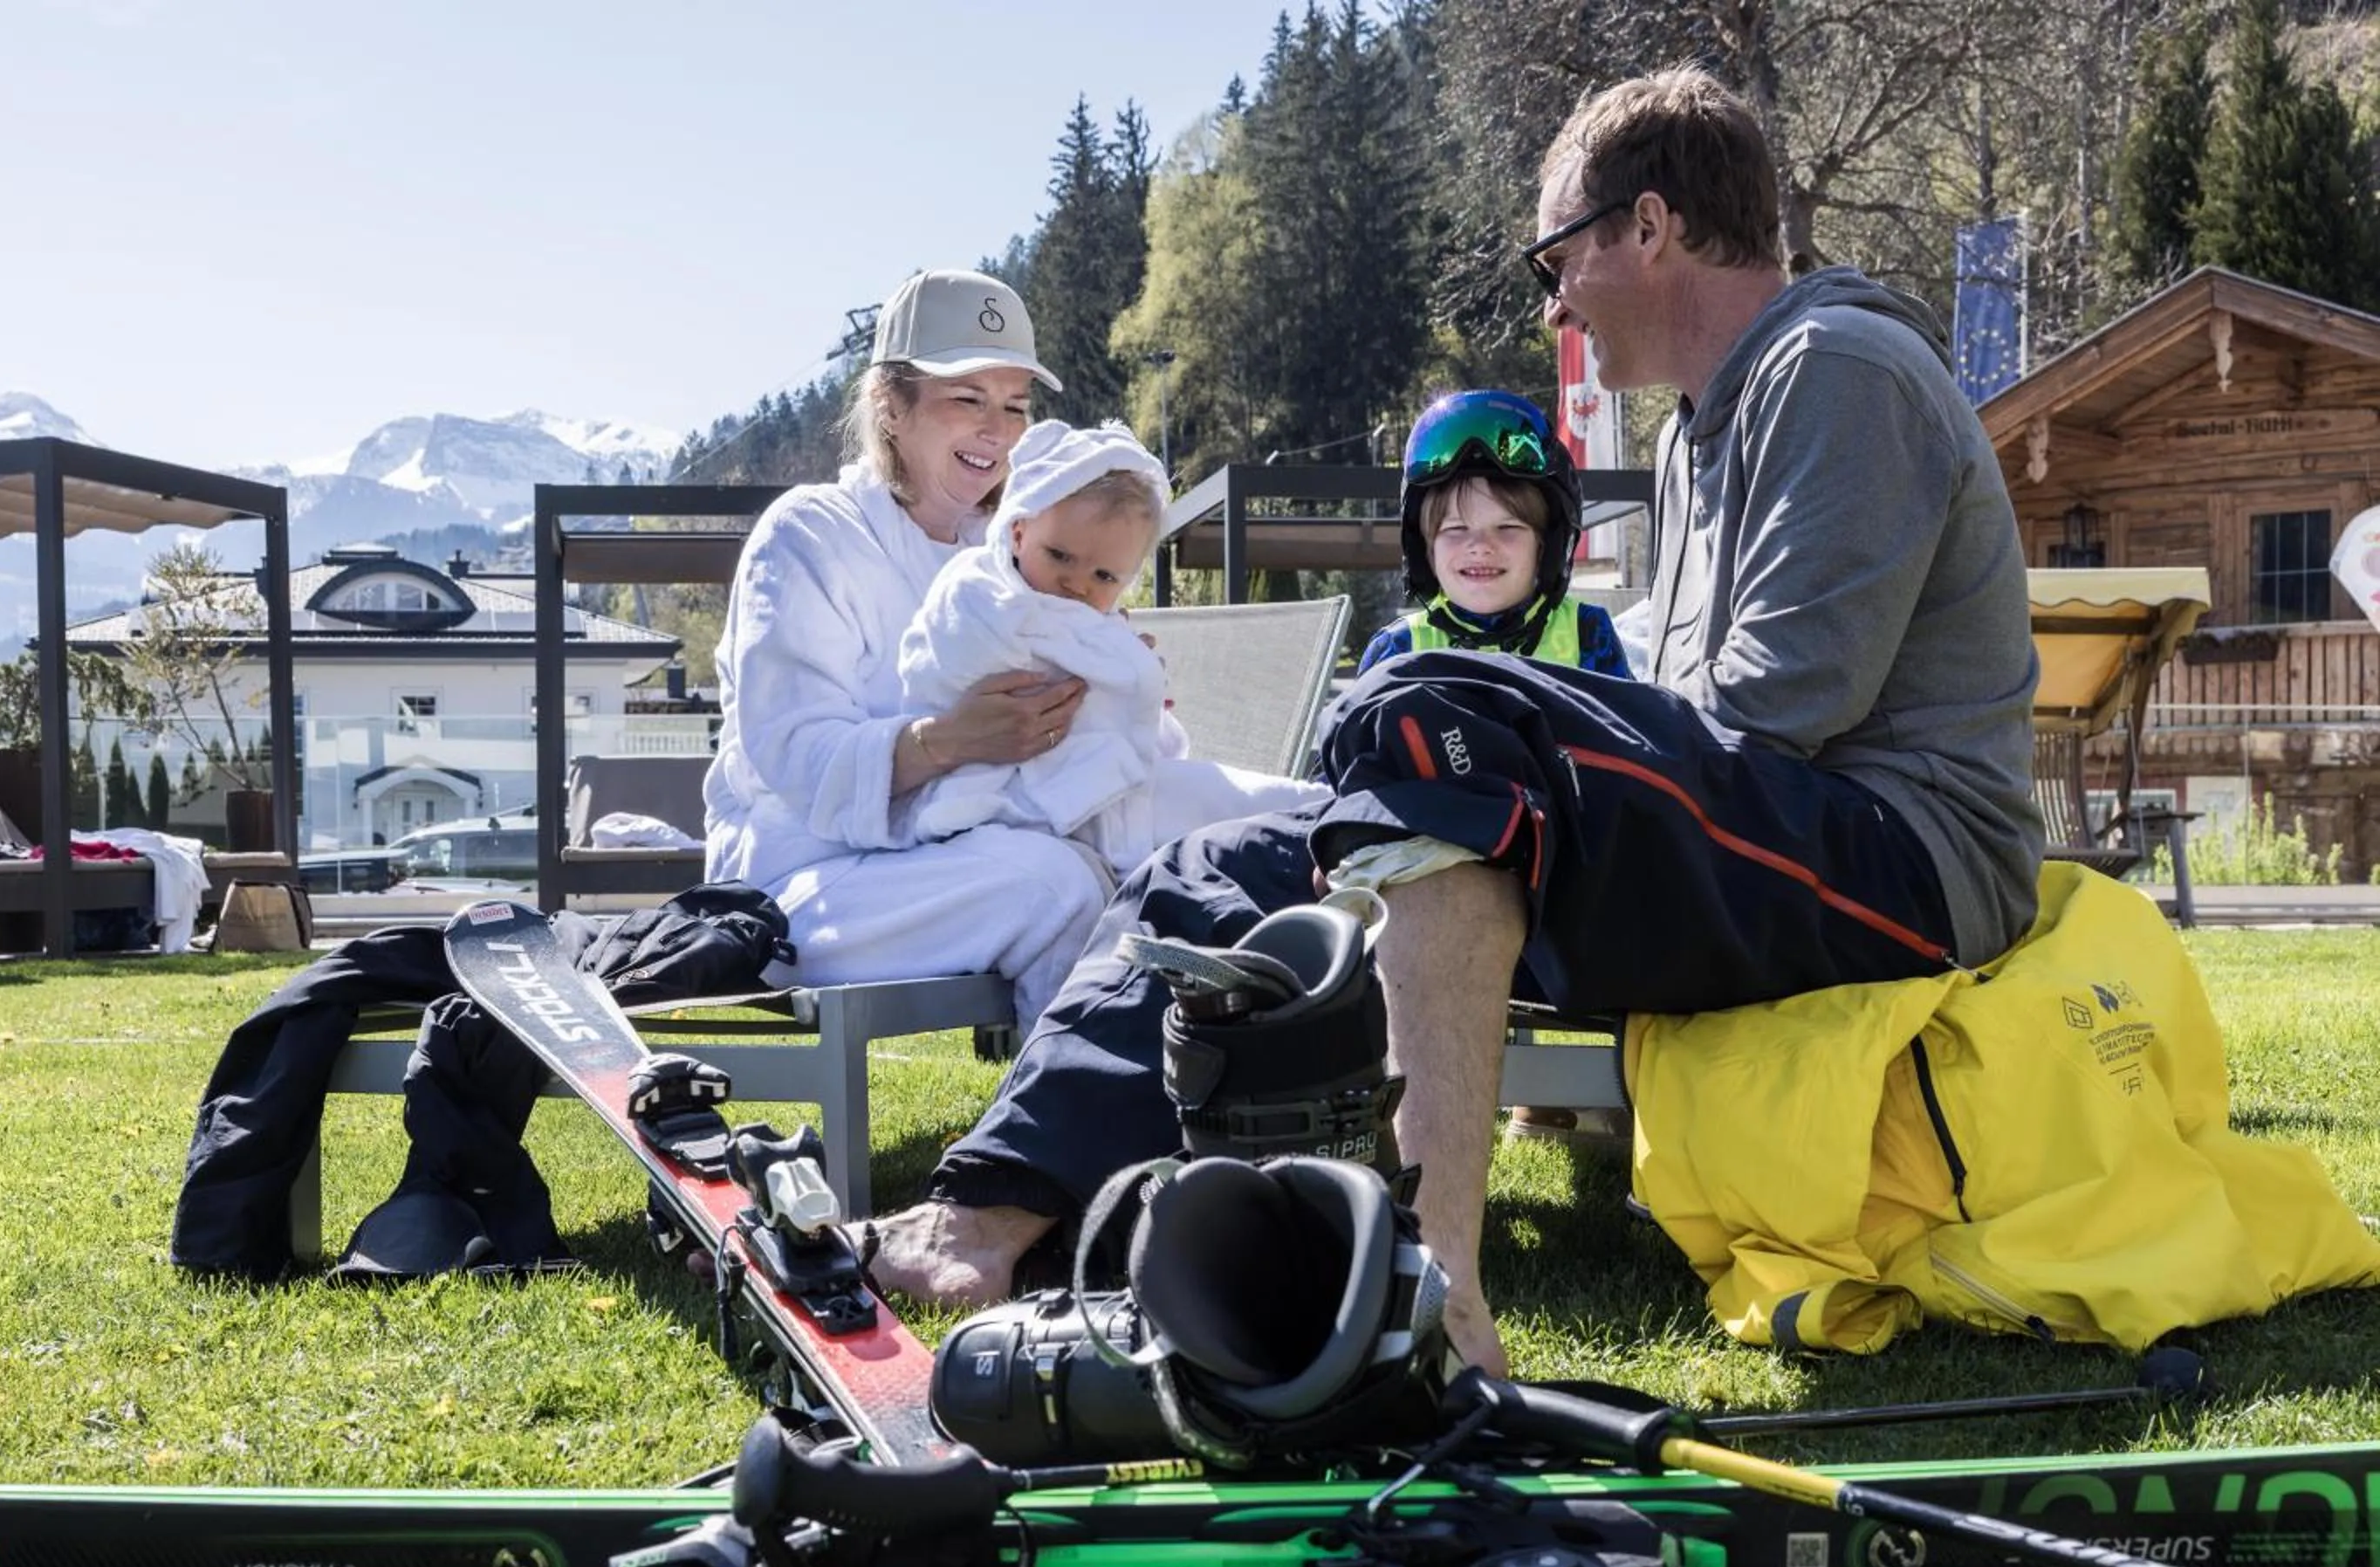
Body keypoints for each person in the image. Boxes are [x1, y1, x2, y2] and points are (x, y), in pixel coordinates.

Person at [866, 68, 2045, 1379]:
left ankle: (1437, 1297)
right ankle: (985, 1215)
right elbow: (1683, 715)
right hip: (1762, 834)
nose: (1552, 301)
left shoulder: (1841, 368)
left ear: (1647, 228)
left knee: (1434, 720)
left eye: (1557, 258)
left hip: (1900, 854)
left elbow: (1781, 712)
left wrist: (1510, 727)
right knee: (1220, 861)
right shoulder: (1693, 434)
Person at [702, 268, 1107, 1034]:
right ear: (892, 406)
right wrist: (950, 742)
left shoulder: (1004, 552)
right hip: (793, 886)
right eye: (968, 399)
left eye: (1015, 406)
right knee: (1055, 890)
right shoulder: (809, 535)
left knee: (1138, 867)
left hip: (947, 864)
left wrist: (1104, 699)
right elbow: (794, 755)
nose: (998, 431)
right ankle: (1060, 1137)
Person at [896, 418, 1327, 882]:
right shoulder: (981, 597)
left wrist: (1120, 666)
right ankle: (1329, 825)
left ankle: (1338, 818)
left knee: (1252, 801)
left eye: (1104, 577)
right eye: (1059, 556)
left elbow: (1125, 717)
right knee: (1231, 812)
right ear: (1018, 532)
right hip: (1020, 798)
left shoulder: (1092, 625)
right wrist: (1114, 667)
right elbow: (950, 663)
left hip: (1097, 786)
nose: (1076, 585)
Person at [1354, 390, 1628, 681]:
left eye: (1508, 527)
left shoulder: (1587, 634)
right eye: (1456, 529)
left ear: (1547, 546)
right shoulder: (1398, 651)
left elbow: (1626, 724)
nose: (1480, 546)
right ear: (1425, 550)